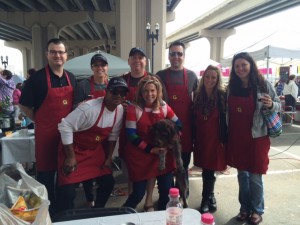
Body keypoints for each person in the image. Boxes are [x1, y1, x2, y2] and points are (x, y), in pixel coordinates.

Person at [19, 38, 77, 215]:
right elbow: (24, 105)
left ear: (66, 55)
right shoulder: (36, 79)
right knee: (45, 176)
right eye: (53, 52)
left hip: (66, 137)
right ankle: (46, 214)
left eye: (61, 52)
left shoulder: (71, 78)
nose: (57, 55)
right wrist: (39, 120)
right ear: (47, 54)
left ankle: (64, 212)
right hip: (46, 137)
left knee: (66, 175)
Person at [56, 76, 128, 212]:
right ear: (106, 91)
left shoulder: (119, 110)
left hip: (94, 151)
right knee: (67, 192)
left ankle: (97, 211)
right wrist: (70, 157)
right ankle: (68, 217)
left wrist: (108, 158)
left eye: (122, 93)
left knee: (108, 182)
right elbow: (65, 125)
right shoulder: (89, 108)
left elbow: (113, 136)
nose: (118, 96)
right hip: (74, 149)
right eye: (114, 92)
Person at [226, 52, 280, 225]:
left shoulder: (263, 84)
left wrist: (272, 104)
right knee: (242, 175)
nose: (241, 68)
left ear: (251, 65)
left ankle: (257, 210)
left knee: (256, 176)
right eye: (237, 66)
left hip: (258, 138)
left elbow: (278, 104)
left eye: (244, 65)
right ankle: (244, 208)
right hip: (237, 137)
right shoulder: (232, 87)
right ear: (234, 69)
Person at [123, 75, 182, 210]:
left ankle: (162, 216)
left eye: (152, 91)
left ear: (158, 91)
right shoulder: (134, 108)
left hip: (160, 154)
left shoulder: (163, 106)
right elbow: (130, 134)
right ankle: (119, 216)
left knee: (167, 190)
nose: (149, 94)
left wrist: (172, 141)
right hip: (139, 154)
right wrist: (150, 149)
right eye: (146, 91)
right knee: (138, 193)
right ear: (141, 92)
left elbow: (179, 124)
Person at [121, 47, 168, 211]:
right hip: (128, 130)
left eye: (140, 57)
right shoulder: (122, 80)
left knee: (151, 169)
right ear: (129, 61)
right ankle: (132, 198)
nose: (137, 60)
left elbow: (164, 105)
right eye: (133, 57)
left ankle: (148, 200)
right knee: (131, 167)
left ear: (145, 61)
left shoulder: (154, 80)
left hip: (151, 133)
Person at [156, 41, 198, 201]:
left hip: (185, 130)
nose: (176, 57)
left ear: (184, 56)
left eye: (179, 54)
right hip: (165, 131)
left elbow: (199, 102)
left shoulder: (193, 76)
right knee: (166, 166)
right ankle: (166, 197)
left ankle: (183, 195)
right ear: (169, 55)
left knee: (183, 165)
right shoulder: (160, 75)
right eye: (172, 53)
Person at [73, 53, 109, 207]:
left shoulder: (112, 84)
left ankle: (101, 201)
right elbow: (74, 108)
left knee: (105, 166)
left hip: (107, 131)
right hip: (87, 132)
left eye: (102, 65)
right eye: (96, 65)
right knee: (88, 168)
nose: (100, 68)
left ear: (107, 67)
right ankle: (90, 199)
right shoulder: (83, 85)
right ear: (92, 68)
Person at [192, 65, 227, 214]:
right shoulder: (198, 95)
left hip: (216, 138)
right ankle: (210, 196)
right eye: (207, 77)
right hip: (201, 137)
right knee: (206, 169)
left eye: (213, 77)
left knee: (210, 169)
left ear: (218, 79)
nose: (210, 80)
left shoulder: (222, 95)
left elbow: (227, 118)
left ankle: (206, 198)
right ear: (203, 78)